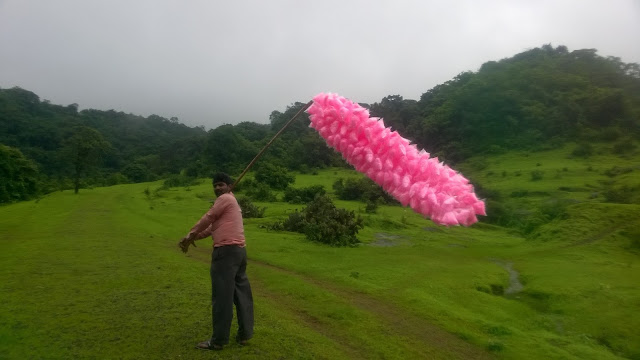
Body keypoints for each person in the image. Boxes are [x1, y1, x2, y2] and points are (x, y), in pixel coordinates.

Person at [178, 172, 254, 351]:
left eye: (221, 184)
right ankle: (244, 335)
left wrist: (189, 235)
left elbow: (208, 217)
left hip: (226, 253)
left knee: (222, 297)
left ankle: (218, 340)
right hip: (239, 252)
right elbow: (212, 228)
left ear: (229, 185)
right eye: (215, 185)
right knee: (241, 294)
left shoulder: (224, 199)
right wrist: (194, 237)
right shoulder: (232, 201)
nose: (217, 188)